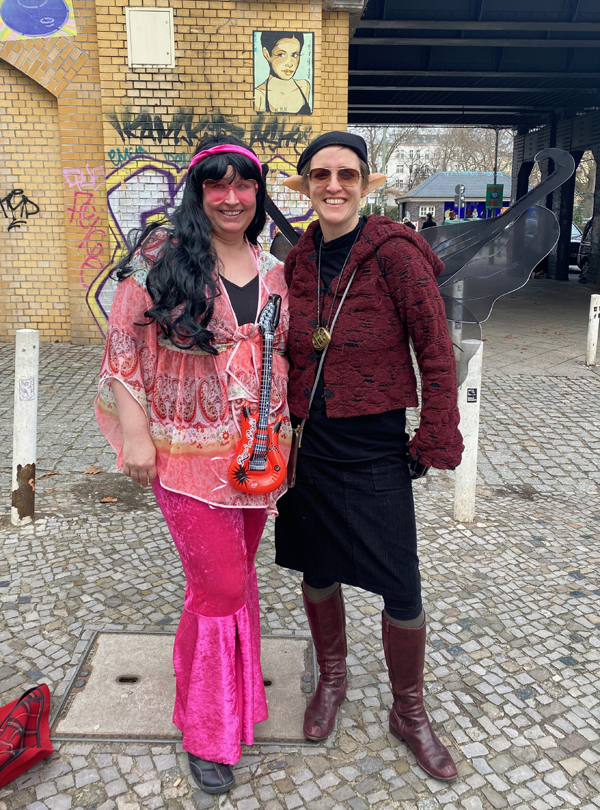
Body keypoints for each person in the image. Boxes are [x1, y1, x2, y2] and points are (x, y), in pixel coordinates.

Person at [95, 136, 290, 794]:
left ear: (258, 192)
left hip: (257, 457)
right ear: (197, 193)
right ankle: (206, 731)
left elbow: (283, 351)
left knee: (230, 583)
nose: (232, 198)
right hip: (183, 455)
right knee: (222, 588)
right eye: (217, 185)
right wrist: (134, 435)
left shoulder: (272, 266)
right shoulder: (160, 261)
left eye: (244, 184)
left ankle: (232, 699)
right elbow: (123, 348)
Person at [275, 131, 463, 781]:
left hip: (376, 444)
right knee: (317, 566)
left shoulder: (396, 254)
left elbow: (436, 352)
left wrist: (433, 436)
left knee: (401, 587)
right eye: (321, 175)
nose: (334, 186)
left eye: (347, 175)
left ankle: (408, 711)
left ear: (364, 184)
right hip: (309, 444)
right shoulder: (298, 259)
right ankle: (332, 678)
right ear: (306, 186)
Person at [254, 32, 311, 114]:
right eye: (281, 55)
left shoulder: (304, 86)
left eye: (295, 55)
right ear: (267, 54)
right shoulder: (259, 95)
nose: (289, 63)